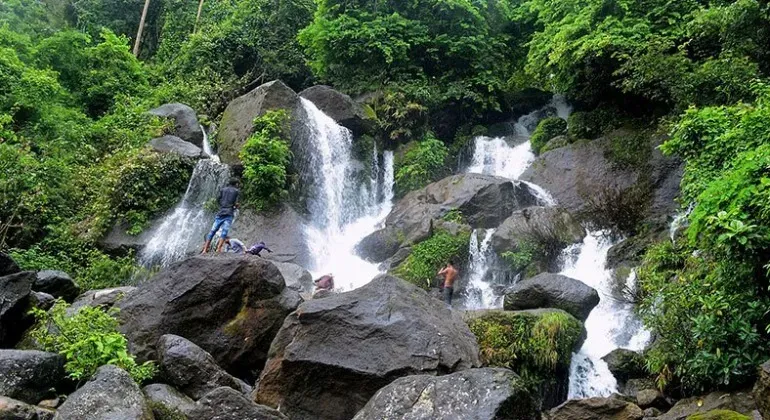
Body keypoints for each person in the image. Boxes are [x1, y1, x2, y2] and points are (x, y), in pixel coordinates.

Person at [201, 178, 240, 254]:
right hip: (229, 213)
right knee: (224, 232)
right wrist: (235, 206)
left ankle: (205, 250)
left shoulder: (223, 189)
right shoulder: (236, 191)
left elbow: (218, 199)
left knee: (212, 231)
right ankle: (218, 249)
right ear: (236, 184)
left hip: (221, 212)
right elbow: (236, 203)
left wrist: (222, 205)